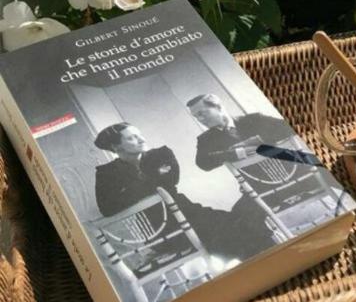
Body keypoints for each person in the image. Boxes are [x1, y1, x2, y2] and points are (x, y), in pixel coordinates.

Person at [93, 122, 231, 259]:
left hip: (189, 213)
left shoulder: (161, 153)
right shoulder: (107, 172)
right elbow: (107, 208)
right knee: (224, 232)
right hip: (160, 233)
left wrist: (129, 190)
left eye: (139, 135)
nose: (142, 139)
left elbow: (171, 181)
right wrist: (155, 176)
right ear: (116, 146)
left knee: (231, 224)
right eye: (132, 138)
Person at [187, 94, 293, 251]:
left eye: (202, 113)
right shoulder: (206, 139)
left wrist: (256, 142)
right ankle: (276, 252)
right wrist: (236, 153)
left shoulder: (254, 119)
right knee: (238, 221)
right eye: (196, 116)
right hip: (257, 191)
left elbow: (288, 127)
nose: (200, 119)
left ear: (217, 106)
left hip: (295, 179)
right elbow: (203, 163)